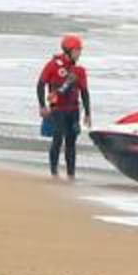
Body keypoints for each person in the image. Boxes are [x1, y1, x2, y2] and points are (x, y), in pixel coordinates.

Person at [37, 33, 92, 179]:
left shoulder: (79, 70)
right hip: (58, 109)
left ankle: (71, 175)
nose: (79, 54)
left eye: (80, 51)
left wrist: (88, 113)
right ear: (68, 50)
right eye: (77, 50)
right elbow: (40, 85)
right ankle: (54, 173)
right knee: (58, 139)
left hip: (73, 110)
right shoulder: (53, 65)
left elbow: (85, 92)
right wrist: (42, 105)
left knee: (71, 143)